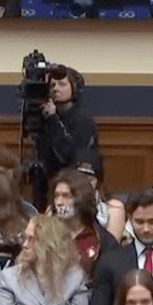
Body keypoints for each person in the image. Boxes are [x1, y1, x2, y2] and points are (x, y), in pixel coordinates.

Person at [28, 65, 99, 209]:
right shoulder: (45, 116)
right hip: (46, 184)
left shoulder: (82, 120)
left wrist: (52, 118)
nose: (56, 88)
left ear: (74, 88)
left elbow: (69, 154)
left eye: (62, 84)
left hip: (72, 183)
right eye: (52, 85)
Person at [49, 169, 120, 280]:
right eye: (56, 196)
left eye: (66, 196)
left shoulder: (104, 241)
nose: (59, 202)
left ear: (82, 198)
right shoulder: (45, 235)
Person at [73, 149, 127, 243]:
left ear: (98, 181)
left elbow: (112, 245)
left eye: (90, 180)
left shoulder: (114, 207)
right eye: (80, 179)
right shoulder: (60, 202)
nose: (84, 185)